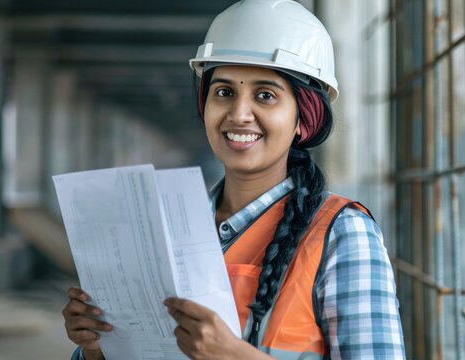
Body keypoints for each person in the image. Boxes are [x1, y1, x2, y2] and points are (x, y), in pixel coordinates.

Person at [62, 0, 405, 359]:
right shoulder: (159, 228)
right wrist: (96, 348)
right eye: (224, 92)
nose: (239, 114)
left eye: (265, 95)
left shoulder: (341, 233)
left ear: (303, 119)